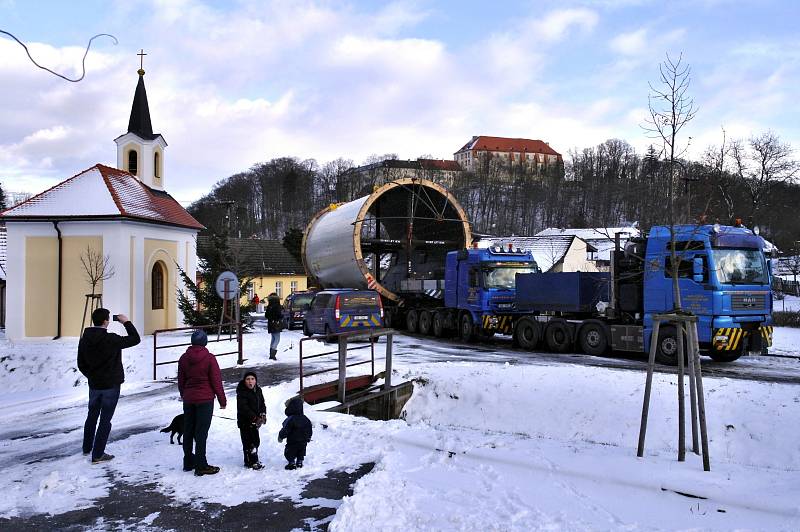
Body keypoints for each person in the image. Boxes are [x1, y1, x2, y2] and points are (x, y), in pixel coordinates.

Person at [78, 308, 140, 464]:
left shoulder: (84, 339)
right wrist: (126, 322)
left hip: (94, 384)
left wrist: (92, 375)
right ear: (106, 321)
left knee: (92, 415)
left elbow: (81, 363)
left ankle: (87, 447)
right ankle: (98, 454)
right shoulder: (111, 339)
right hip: (111, 385)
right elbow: (135, 339)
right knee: (105, 419)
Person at [177, 329, 227, 476]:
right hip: (205, 400)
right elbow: (216, 381)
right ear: (205, 342)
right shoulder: (210, 358)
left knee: (188, 430)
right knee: (201, 433)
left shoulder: (184, 358)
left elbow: (181, 381)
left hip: (189, 399)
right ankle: (201, 465)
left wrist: (184, 394)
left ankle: (188, 461)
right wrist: (222, 400)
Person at [236, 371, 266, 470]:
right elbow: (243, 407)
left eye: (252, 379)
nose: (250, 381)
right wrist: (254, 417)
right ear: (244, 381)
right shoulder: (242, 392)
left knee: (255, 441)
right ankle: (250, 462)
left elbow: (262, 403)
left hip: (255, 422)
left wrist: (263, 414)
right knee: (248, 442)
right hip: (245, 422)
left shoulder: (258, 390)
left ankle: (254, 459)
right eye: (248, 379)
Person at [278, 396, 312, 470]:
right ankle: (299, 462)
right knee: (301, 452)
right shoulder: (305, 418)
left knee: (290, 452)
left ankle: (292, 463)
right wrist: (309, 437)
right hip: (303, 441)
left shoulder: (290, 419)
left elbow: (285, 430)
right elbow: (309, 428)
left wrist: (281, 436)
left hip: (292, 441)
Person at [265, 293, 284, 360]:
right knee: (277, 339)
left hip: (271, 324)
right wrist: (281, 316)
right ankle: (272, 354)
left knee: (273, 338)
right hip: (276, 324)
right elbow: (279, 315)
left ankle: (271, 353)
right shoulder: (277, 306)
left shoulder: (269, 306)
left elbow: (266, 315)